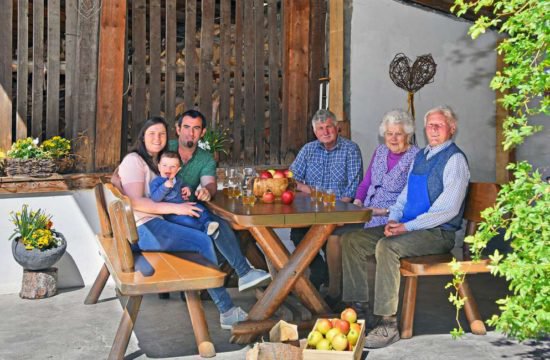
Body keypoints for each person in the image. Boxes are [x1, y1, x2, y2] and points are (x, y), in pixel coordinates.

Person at [341, 106, 470, 348]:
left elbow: (447, 210)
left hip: (437, 233)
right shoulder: (422, 157)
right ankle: (360, 309)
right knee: (353, 241)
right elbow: (404, 196)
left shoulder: (455, 160)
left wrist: (407, 227)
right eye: (430, 125)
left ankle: (388, 324)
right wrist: (395, 219)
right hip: (410, 226)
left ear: (451, 129)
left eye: (439, 125)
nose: (433, 129)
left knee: (387, 247)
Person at [117, 116, 246, 329]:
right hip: (143, 229)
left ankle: (224, 294)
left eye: (161, 134)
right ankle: (227, 310)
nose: (157, 138)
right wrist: (178, 208)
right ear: (142, 137)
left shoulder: (152, 161)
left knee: (207, 230)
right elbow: (135, 202)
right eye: (152, 133)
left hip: (147, 225)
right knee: (202, 241)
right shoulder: (134, 160)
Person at [168, 109, 271, 292]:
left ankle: (205, 282)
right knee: (219, 229)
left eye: (196, 128)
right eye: (186, 127)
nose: (190, 133)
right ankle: (238, 273)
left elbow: (210, 184)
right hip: (165, 212)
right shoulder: (165, 148)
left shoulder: (205, 157)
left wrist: (207, 192)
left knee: (221, 224)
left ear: (203, 133)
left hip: (190, 210)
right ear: (177, 129)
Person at [325, 110, 419, 307]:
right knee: (333, 237)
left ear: (408, 135)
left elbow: (411, 197)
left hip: (391, 218)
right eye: (389, 133)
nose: (393, 138)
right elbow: (366, 182)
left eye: (398, 134)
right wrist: (358, 202)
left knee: (351, 241)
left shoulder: (415, 157)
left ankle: (360, 301)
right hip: (366, 213)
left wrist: (383, 211)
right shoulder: (380, 151)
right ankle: (336, 292)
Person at [289, 109, 363, 289]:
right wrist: (308, 189)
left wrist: (339, 212)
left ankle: (333, 287)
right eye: (320, 128)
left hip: (339, 210)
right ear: (315, 132)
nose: (325, 132)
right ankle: (320, 271)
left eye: (329, 127)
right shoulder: (308, 150)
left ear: (337, 128)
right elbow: (291, 178)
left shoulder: (350, 149)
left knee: (329, 236)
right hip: (311, 210)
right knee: (297, 234)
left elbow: (352, 188)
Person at [149, 151, 219, 236]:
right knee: (188, 221)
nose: (168, 169)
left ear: (178, 169)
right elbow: (155, 198)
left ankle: (209, 223)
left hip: (185, 204)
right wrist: (164, 187)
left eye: (173, 166)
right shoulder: (156, 182)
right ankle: (204, 231)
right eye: (164, 165)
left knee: (200, 208)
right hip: (170, 213)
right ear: (159, 167)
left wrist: (187, 189)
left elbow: (185, 186)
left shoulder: (178, 180)